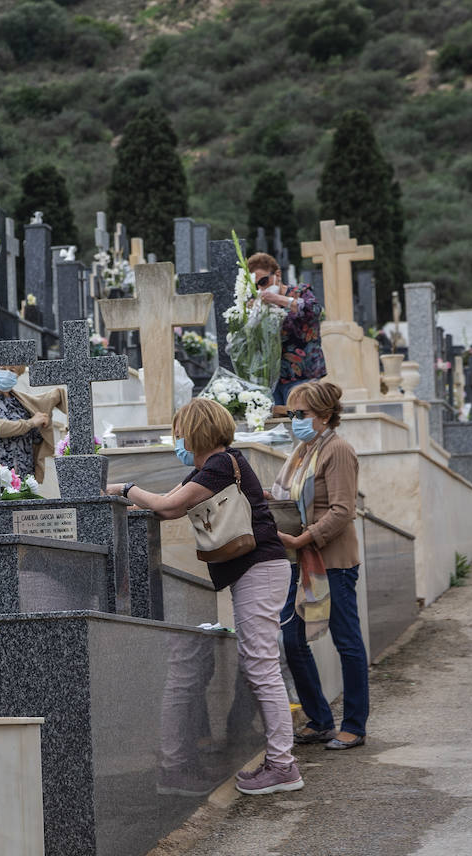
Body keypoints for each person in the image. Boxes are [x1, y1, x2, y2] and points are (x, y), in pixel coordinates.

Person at [106, 397, 303, 796]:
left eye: (179, 432)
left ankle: (283, 765)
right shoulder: (210, 468)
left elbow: (168, 504)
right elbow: (167, 510)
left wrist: (124, 488)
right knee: (259, 665)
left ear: (195, 431)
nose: (176, 440)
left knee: (262, 667)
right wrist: (129, 497)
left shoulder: (219, 465)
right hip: (257, 571)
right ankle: (280, 761)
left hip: (260, 569)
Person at [270, 380, 368, 751]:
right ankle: (320, 720)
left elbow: (343, 510)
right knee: (292, 639)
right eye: (291, 413)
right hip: (302, 559)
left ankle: (354, 725)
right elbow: (287, 495)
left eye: (302, 413)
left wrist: (304, 538)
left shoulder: (337, 450)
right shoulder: (303, 451)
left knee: (346, 641)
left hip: (331, 560)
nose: (294, 419)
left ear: (325, 416)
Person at [0, 365, 66, 481]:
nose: (7, 373)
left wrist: (41, 423)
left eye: (12, 370)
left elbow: (35, 431)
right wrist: (30, 423)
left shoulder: (19, 399)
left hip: (23, 472)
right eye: (2, 368)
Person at [247, 252, 323, 406]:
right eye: (256, 285)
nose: (261, 288)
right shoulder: (258, 303)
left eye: (263, 281)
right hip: (271, 377)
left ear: (277, 274)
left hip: (302, 374)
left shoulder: (300, 292)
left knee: (300, 416)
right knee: (276, 419)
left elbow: (314, 310)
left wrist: (279, 299)